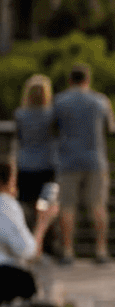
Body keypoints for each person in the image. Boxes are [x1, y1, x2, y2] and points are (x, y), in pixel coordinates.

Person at [51, 65, 113, 265]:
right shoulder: (100, 101)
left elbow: (51, 127)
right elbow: (110, 127)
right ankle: (101, 251)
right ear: (88, 80)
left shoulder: (59, 101)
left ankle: (68, 251)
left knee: (67, 206)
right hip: (95, 160)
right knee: (98, 206)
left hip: (67, 160)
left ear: (70, 80)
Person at [0, 158, 57, 301]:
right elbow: (28, 252)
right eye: (14, 180)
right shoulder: (6, 206)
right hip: (6, 277)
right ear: (6, 183)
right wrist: (43, 222)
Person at [13, 76, 56, 259]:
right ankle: (46, 246)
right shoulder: (51, 115)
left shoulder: (20, 115)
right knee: (45, 206)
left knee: (26, 206)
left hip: (25, 165)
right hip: (46, 166)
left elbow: (20, 138)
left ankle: (26, 244)